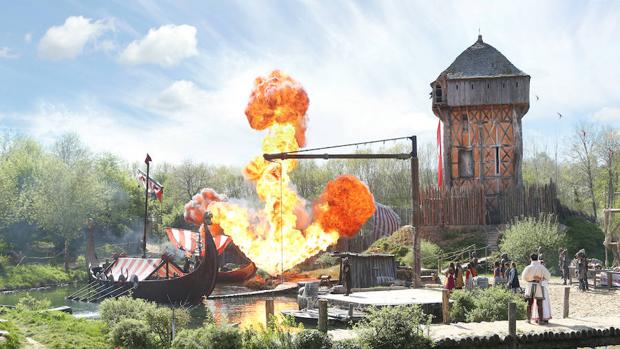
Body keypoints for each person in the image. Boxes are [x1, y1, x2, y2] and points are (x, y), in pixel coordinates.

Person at [521, 253, 551, 324]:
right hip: (538, 285)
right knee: (539, 303)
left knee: (529, 303)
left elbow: (523, 277)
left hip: (530, 285)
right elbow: (548, 276)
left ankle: (528, 319)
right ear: (537, 258)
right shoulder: (541, 267)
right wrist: (541, 279)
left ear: (530, 259)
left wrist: (529, 280)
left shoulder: (528, 267)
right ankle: (540, 320)